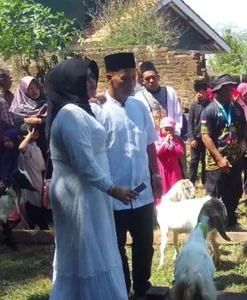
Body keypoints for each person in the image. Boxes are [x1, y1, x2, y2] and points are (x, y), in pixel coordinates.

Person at [47, 58, 137, 300]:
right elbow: (83, 160)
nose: (92, 82)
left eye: (92, 77)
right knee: (85, 251)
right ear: (70, 83)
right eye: (85, 78)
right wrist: (112, 188)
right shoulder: (70, 114)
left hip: (90, 190)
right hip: (79, 192)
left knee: (96, 246)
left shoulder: (80, 110)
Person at [91, 53, 162, 299]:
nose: (132, 82)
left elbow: (150, 144)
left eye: (134, 77)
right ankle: (122, 289)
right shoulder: (96, 109)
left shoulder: (139, 106)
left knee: (145, 244)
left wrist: (156, 175)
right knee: (116, 246)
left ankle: (142, 288)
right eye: (126, 77)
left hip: (141, 192)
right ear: (109, 77)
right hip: (114, 194)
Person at [201, 74, 247, 229]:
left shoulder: (237, 108)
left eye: (231, 88)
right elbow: (205, 137)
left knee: (235, 191)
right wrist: (219, 159)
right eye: (226, 89)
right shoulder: (209, 111)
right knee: (215, 193)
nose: (230, 91)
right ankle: (212, 225)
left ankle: (231, 220)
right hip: (217, 162)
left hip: (235, 158)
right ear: (218, 91)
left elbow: (244, 128)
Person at [134, 61, 183, 134]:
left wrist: (176, 133)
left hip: (171, 135)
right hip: (152, 140)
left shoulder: (170, 92)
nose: (151, 81)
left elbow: (177, 114)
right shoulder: (138, 98)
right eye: (147, 78)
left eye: (153, 77)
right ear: (142, 81)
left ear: (158, 77)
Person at [9, 76, 49, 160]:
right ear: (24, 91)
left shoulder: (46, 103)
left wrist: (38, 121)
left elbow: (53, 120)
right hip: (29, 151)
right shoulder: (18, 110)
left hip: (48, 144)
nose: (35, 91)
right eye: (30, 88)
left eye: (36, 87)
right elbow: (19, 128)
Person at [18, 125, 48, 230]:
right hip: (34, 186)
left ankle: (45, 238)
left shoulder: (30, 149)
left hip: (33, 188)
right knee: (35, 216)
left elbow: (21, 147)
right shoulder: (36, 148)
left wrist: (28, 136)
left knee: (36, 216)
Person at [155, 117, 184, 199]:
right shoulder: (158, 140)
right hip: (162, 169)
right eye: (166, 129)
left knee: (175, 189)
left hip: (174, 170)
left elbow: (180, 152)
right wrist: (165, 143)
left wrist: (172, 146)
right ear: (161, 130)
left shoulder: (176, 140)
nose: (168, 132)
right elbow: (158, 153)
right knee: (164, 190)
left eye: (171, 129)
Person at [188, 81, 209, 185]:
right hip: (196, 138)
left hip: (207, 139)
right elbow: (190, 122)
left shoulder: (210, 105)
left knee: (206, 161)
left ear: (206, 93)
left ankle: (205, 182)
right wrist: (191, 138)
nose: (199, 94)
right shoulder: (193, 106)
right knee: (194, 161)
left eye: (201, 92)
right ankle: (191, 183)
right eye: (197, 92)